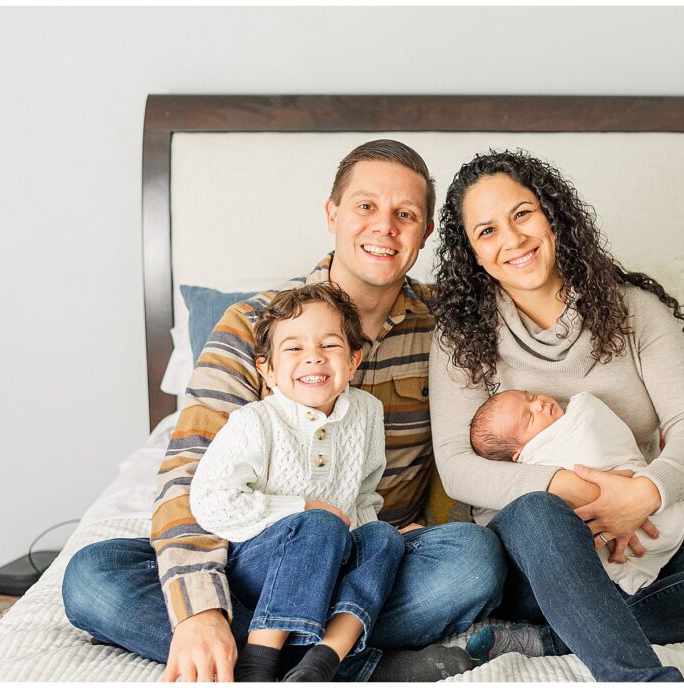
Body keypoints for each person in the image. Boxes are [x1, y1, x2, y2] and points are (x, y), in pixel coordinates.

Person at [63, 140, 506, 683]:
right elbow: (189, 473)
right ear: (332, 213)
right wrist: (200, 612)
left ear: (426, 233)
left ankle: (265, 658)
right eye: (365, 206)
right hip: (253, 557)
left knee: (474, 561)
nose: (384, 227)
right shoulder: (252, 324)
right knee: (93, 576)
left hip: (371, 560)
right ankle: (348, 659)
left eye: (405, 214)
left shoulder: (451, 327)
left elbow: (535, 338)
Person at [429, 150, 684, 682]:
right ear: (473, 253)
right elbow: (457, 466)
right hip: (532, 556)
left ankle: (558, 635)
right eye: (487, 230)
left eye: (522, 214)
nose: (511, 239)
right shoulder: (462, 337)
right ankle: (637, 677)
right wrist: (581, 493)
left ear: (552, 214)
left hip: (636, 538)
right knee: (540, 511)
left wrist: (643, 495)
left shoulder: (635, 311)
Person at [189, 283, 405, 682]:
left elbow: (362, 496)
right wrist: (305, 509)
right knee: (321, 524)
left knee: (385, 538)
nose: (314, 359)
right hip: (262, 565)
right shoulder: (256, 421)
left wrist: (370, 544)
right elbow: (210, 501)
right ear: (266, 370)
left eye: (329, 345)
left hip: (334, 563)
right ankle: (259, 661)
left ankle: (321, 661)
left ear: (354, 359)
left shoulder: (367, 413)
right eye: (294, 349)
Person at [468, 389, 684, 596]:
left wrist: (641, 494)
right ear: (518, 454)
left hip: (650, 498)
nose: (539, 405)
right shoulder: (535, 461)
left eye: (530, 396)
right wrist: (605, 499)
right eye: (528, 418)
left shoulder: (581, 413)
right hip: (590, 557)